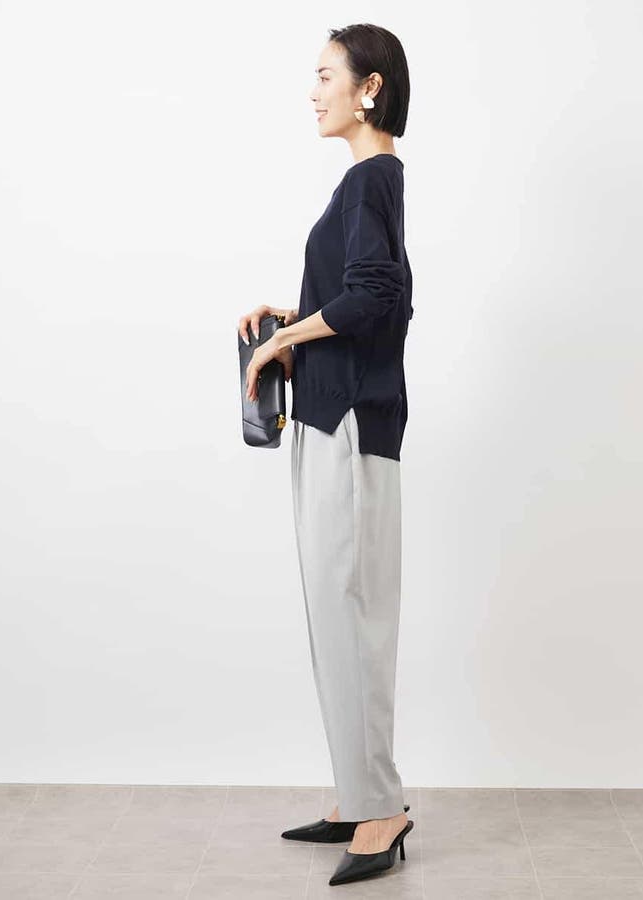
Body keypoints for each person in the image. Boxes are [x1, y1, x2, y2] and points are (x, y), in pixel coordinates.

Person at [238, 23, 414, 887]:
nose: (313, 93)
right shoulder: (361, 183)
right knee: (334, 617)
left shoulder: (372, 177)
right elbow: (356, 297)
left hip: (349, 423)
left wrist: (285, 342)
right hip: (330, 415)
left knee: (352, 618)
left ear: (368, 89)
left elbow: (381, 296)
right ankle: (357, 794)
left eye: (324, 76)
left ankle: (381, 809)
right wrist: (293, 319)